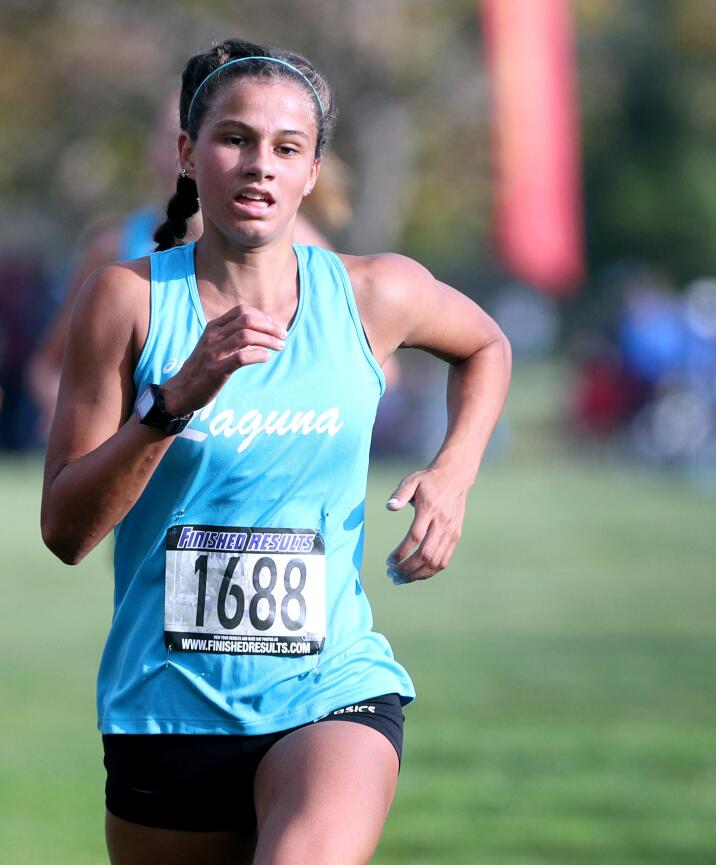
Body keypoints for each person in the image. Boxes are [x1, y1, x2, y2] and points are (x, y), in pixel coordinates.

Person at [40, 39, 511, 865]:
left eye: (287, 148)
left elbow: (486, 346)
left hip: (330, 691)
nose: (260, 165)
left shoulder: (373, 293)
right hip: (165, 708)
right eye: (234, 140)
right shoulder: (128, 302)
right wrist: (171, 403)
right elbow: (67, 532)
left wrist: (454, 472)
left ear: (312, 172)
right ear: (188, 154)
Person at [25, 91, 342, 432]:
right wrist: (82, 418)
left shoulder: (299, 243)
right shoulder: (114, 246)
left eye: (234, 139)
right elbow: (48, 367)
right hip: (134, 465)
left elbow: (368, 360)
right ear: (176, 149)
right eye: (170, 133)